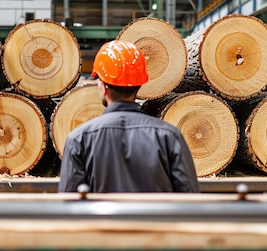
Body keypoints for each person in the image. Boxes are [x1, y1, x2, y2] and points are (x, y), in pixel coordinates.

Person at [58, 40, 199, 193]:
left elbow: (69, 202)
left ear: (104, 87)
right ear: (139, 85)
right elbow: (189, 196)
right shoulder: (169, 136)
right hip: (156, 217)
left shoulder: (79, 139)